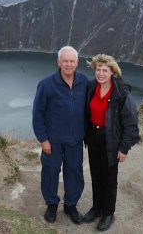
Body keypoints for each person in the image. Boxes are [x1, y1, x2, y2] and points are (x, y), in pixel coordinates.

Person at [83, 54, 139, 231]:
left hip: (111, 139)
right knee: (96, 174)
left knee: (109, 178)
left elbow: (131, 123)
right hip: (93, 135)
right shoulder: (91, 87)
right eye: (98, 70)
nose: (100, 73)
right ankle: (97, 208)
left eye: (104, 70)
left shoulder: (121, 93)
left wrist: (124, 148)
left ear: (112, 72)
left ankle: (108, 214)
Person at [32, 46, 88, 224]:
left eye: (72, 61)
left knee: (74, 172)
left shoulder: (84, 82)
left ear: (77, 63)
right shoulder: (47, 84)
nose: (69, 64)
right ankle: (52, 205)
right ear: (58, 62)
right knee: (50, 172)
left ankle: (71, 205)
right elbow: (37, 114)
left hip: (75, 140)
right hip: (53, 141)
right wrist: (43, 139)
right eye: (65, 61)